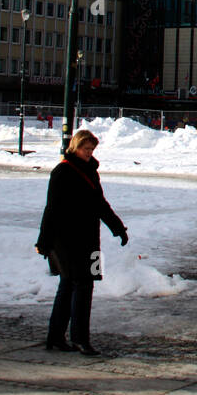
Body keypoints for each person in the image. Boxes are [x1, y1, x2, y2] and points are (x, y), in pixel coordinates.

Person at [35, 129, 128, 356]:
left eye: (92, 149)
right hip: (67, 241)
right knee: (82, 286)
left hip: (88, 240)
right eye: (86, 149)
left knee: (70, 286)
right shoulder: (63, 172)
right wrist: (43, 241)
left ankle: (56, 337)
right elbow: (52, 209)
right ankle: (79, 340)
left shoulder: (90, 172)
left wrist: (118, 228)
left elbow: (100, 204)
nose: (89, 153)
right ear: (75, 147)